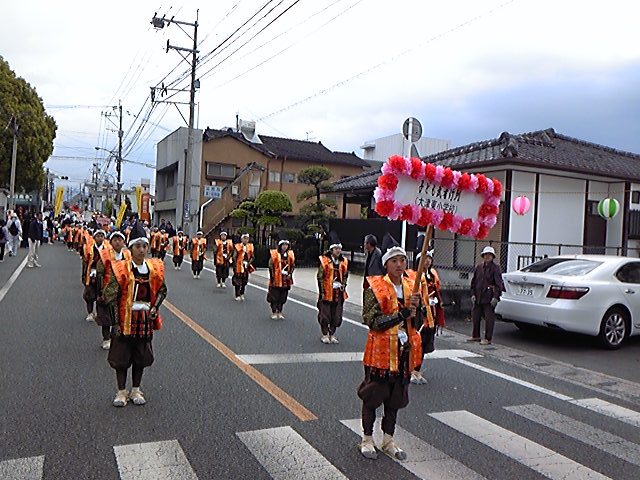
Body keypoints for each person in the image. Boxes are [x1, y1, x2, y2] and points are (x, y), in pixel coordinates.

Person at [358, 233, 424, 461]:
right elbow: (371, 320)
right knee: (373, 394)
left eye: (402, 260)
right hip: (381, 353)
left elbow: (418, 322)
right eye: (394, 261)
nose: (399, 265)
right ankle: (367, 438)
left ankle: (388, 439)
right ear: (385, 264)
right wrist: (400, 315)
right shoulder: (375, 287)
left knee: (396, 397)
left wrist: (418, 309)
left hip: (403, 352)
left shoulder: (412, 287)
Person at [104, 221, 166, 407]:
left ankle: (136, 389)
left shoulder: (154, 268)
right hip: (125, 319)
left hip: (144, 318)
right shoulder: (121, 269)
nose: (141, 250)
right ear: (130, 248)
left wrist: (155, 307)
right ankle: (121, 391)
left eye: (144, 246)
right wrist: (115, 323)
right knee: (121, 356)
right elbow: (110, 296)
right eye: (137, 246)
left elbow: (162, 290)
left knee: (141, 355)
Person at [410, 243, 442, 385]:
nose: (427, 261)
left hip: (430, 315)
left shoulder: (433, 275)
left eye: (429, 258)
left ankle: (417, 370)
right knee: (415, 343)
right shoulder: (413, 275)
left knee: (423, 344)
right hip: (418, 315)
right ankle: (411, 370)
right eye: (425, 258)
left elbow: (437, 291)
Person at [96, 231, 132, 350]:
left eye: (120, 240)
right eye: (115, 240)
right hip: (108, 290)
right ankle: (106, 338)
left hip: (123, 291)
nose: (117, 242)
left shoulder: (127, 255)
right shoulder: (105, 255)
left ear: (124, 242)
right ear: (110, 242)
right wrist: (100, 291)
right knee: (107, 317)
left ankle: (116, 338)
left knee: (119, 317)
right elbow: (100, 274)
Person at [317, 231, 349, 344]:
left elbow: (345, 275)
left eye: (339, 249)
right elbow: (320, 276)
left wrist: (343, 284)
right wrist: (322, 291)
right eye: (336, 249)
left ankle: (332, 333)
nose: (338, 251)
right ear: (331, 250)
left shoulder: (343, 262)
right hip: (327, 291)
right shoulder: (325, 261)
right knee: (325, 314)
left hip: (338, 292)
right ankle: (325, 333)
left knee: (337, 314)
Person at [469, 246, 504, 345]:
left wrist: (496, 297)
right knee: (476, 316)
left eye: (489, 255)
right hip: (478, 295)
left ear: (493, 257)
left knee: (489, 319)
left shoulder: (496, 268)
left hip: (489, 297)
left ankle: (487, 338)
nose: (487, 257)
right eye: (485, 255)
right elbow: (474, 282)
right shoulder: (479, 267)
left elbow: (498, 284)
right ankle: (475, 335)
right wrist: (473, 294)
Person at [82, 229, 109, 332]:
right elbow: (85, 262)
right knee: (89, 295)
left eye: (102, 236)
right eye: (98, 236)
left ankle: (99, 313)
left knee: (100, 295)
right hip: (91, 274)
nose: (100, 238)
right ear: (94, 237)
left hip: (102, 277)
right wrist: (84, 276)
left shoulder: (107, 250)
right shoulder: (89, 249)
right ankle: (90, 312)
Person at [267, 238, 295, 319]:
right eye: (283, 245)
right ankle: (274, 311)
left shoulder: (290, 255)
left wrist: (290, 273)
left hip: (285, 278)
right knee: (274, 295)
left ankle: (280, 311)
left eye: (286, 245)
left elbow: (292, 265)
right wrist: (272, 276)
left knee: (283, 295)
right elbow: (270, 265)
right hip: (276, 278)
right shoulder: (275, 254)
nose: (285, 246)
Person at [232, 233, 254, 301]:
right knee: (238, 281)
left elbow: (252, 257)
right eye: (244, 238)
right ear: (241, 239)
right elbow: (234, 256)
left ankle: (242, 293)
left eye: (247, 238)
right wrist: (235, 264)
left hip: (246, 265)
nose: (245, 240)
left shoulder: (250, 247)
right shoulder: (237, 246)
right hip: (239, 266)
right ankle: (237, 294)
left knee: (244, 280)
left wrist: (249, 263)